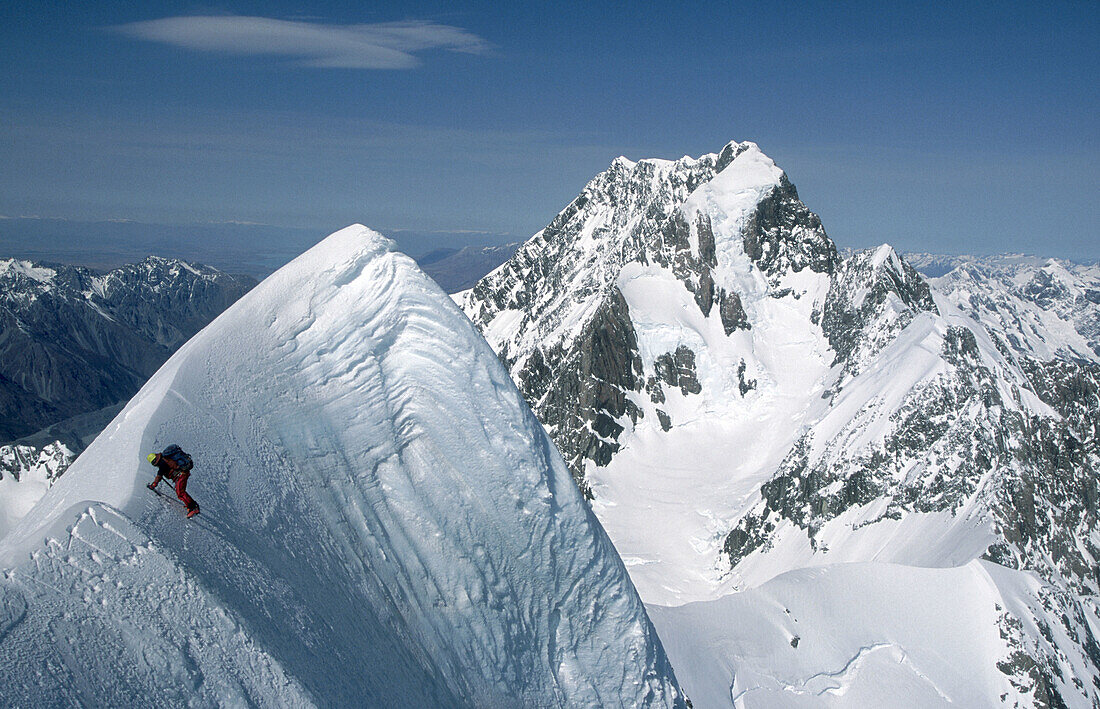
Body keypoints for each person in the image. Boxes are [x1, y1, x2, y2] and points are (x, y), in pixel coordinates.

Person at [146, 447, 200, 518]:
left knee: (180, 493)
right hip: (182, 473)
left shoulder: (162, 463)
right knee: (180, 491)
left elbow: (160, 474)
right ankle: (191, 505)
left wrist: (154, 484)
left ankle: (193, 508)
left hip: (181, 475)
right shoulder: (164, 459)